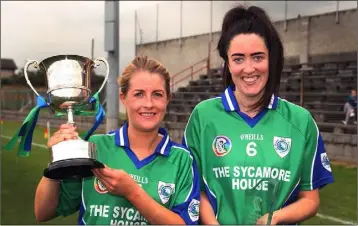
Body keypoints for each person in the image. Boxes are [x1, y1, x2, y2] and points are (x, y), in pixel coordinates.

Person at [182, 5, 334, 225]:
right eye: (238, 59)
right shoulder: (203, 117)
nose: (249, 68)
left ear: (271, 59)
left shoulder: (300, 122)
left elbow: (310, 199)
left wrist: (275, 218)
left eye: (257, 57)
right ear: (227, 63)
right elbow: (195, 189)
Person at [34, 56, 200, 225]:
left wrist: (132, 192)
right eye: (139, 94)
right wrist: (55, 165)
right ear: (123, 98)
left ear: (167, 99)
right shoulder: (95, 146)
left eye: (157, 94)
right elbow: (43, 212)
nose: (149, 104)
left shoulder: (182, 160)